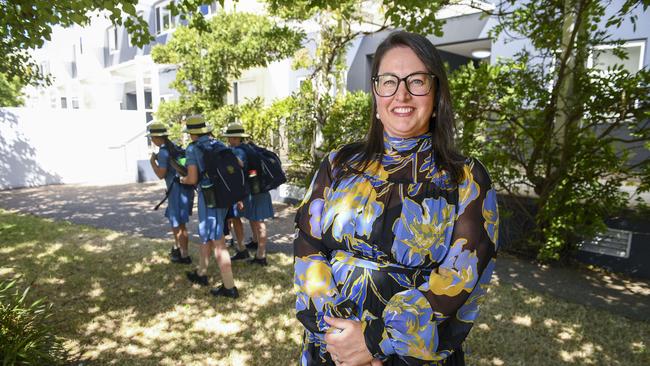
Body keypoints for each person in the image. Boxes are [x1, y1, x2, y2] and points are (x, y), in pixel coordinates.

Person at [293, 31, 499, 366]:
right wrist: (339, 337)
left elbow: (463, 277)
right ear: (375, 95)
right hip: (333, 347)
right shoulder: (338, 164)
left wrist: (374, 342)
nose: (401, 93)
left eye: (416, 81)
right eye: (388, 81)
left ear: (436, 96)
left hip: (411, 354)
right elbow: (307, 245)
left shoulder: (467, 178)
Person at [180, 115, 239, 299]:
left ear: (192, 133)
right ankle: (201, 273)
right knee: (207, 235)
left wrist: (181, 179)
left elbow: (192, 178)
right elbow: (238, 164)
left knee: (218, 243)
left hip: (209, 199)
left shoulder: (193, 149)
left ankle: (229, 287)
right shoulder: (219, 144)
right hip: (223, 197)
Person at [223, 122, 274, 266]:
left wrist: (227, 157)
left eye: (230, 138)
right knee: (255, 220)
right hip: (259, 189)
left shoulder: (238, 150)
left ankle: (259, 255)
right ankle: (256, 247)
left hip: (251, 192)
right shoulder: (250, 147)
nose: (228, 140)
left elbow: (238, 164)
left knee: (255, 221)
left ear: (235, 138)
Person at [147, 121, 194, 264]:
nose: (151, 140)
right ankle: (178, 249)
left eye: (152, 137)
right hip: (183, 190)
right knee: (178, 222)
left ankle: (184, 255)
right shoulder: (173, 147)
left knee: (179, 224)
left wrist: (152, 163)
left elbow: (161, 174)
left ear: (155, 138)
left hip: (176, 192)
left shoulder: (163, 152)